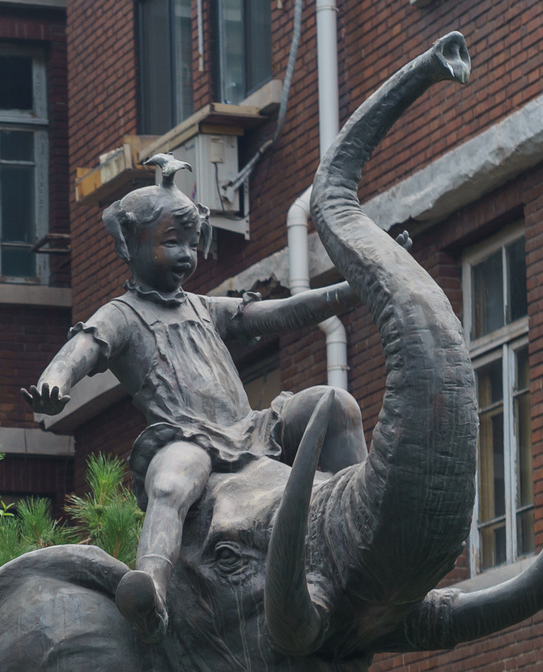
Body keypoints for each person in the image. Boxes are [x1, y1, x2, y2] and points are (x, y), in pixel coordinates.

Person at [23, 177, 363, 633]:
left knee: (335, 403)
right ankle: (152, 581)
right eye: (171, 242)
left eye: (192, 242)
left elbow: (284, 312)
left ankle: (364, 518)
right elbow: (82, 350)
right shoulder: (121, 315)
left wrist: (352, 288)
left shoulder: (205, 308)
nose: (186, 254)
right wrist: (53, 382)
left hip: (250, 429)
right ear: (130, 244)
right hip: (186, 436)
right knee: (173, 480)